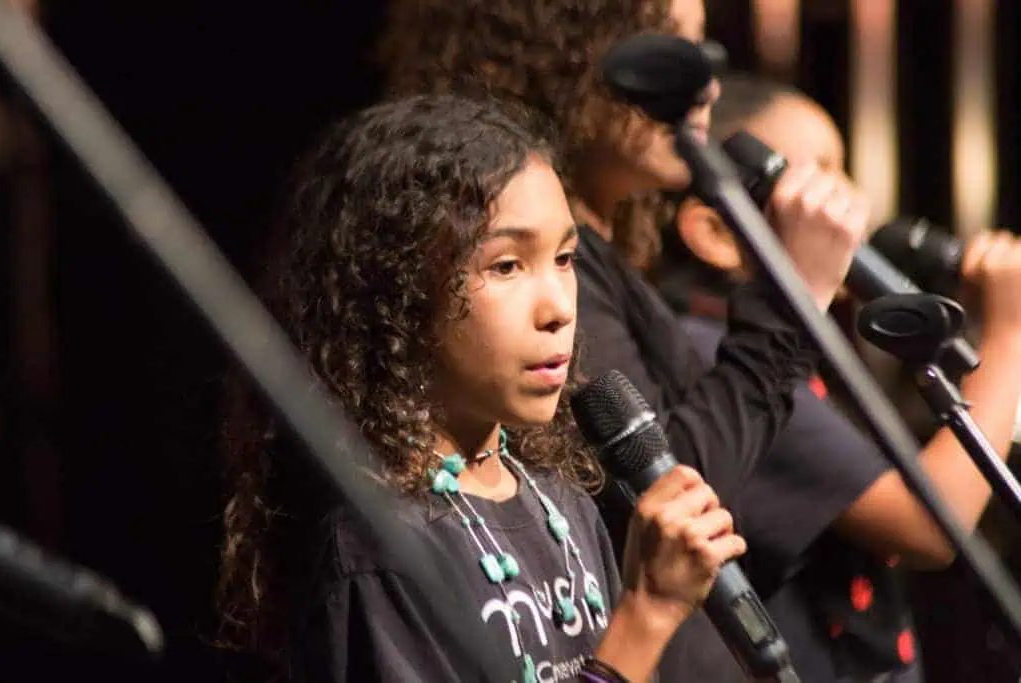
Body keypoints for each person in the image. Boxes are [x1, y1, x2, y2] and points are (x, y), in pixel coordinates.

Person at [377, 2, 875, 682]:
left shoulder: (607, 267)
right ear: (561, 57)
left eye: (705, 48)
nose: (705, 83)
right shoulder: (391, 544)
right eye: (668, 45)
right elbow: (669, 484)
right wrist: (793, 301)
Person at [215, 93, 750, 683]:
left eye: (566, 258)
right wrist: (645, 616)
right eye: (506, 266)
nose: (557, 309)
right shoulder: (382, 547)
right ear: (399, 294)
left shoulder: (560, 501)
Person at [660, 72, 1021, 682]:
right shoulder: (722, 361)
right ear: (716, 233)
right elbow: (931, 523)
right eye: (818, 176)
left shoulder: (799, 345)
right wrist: (1010, 333)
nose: (851, 202)